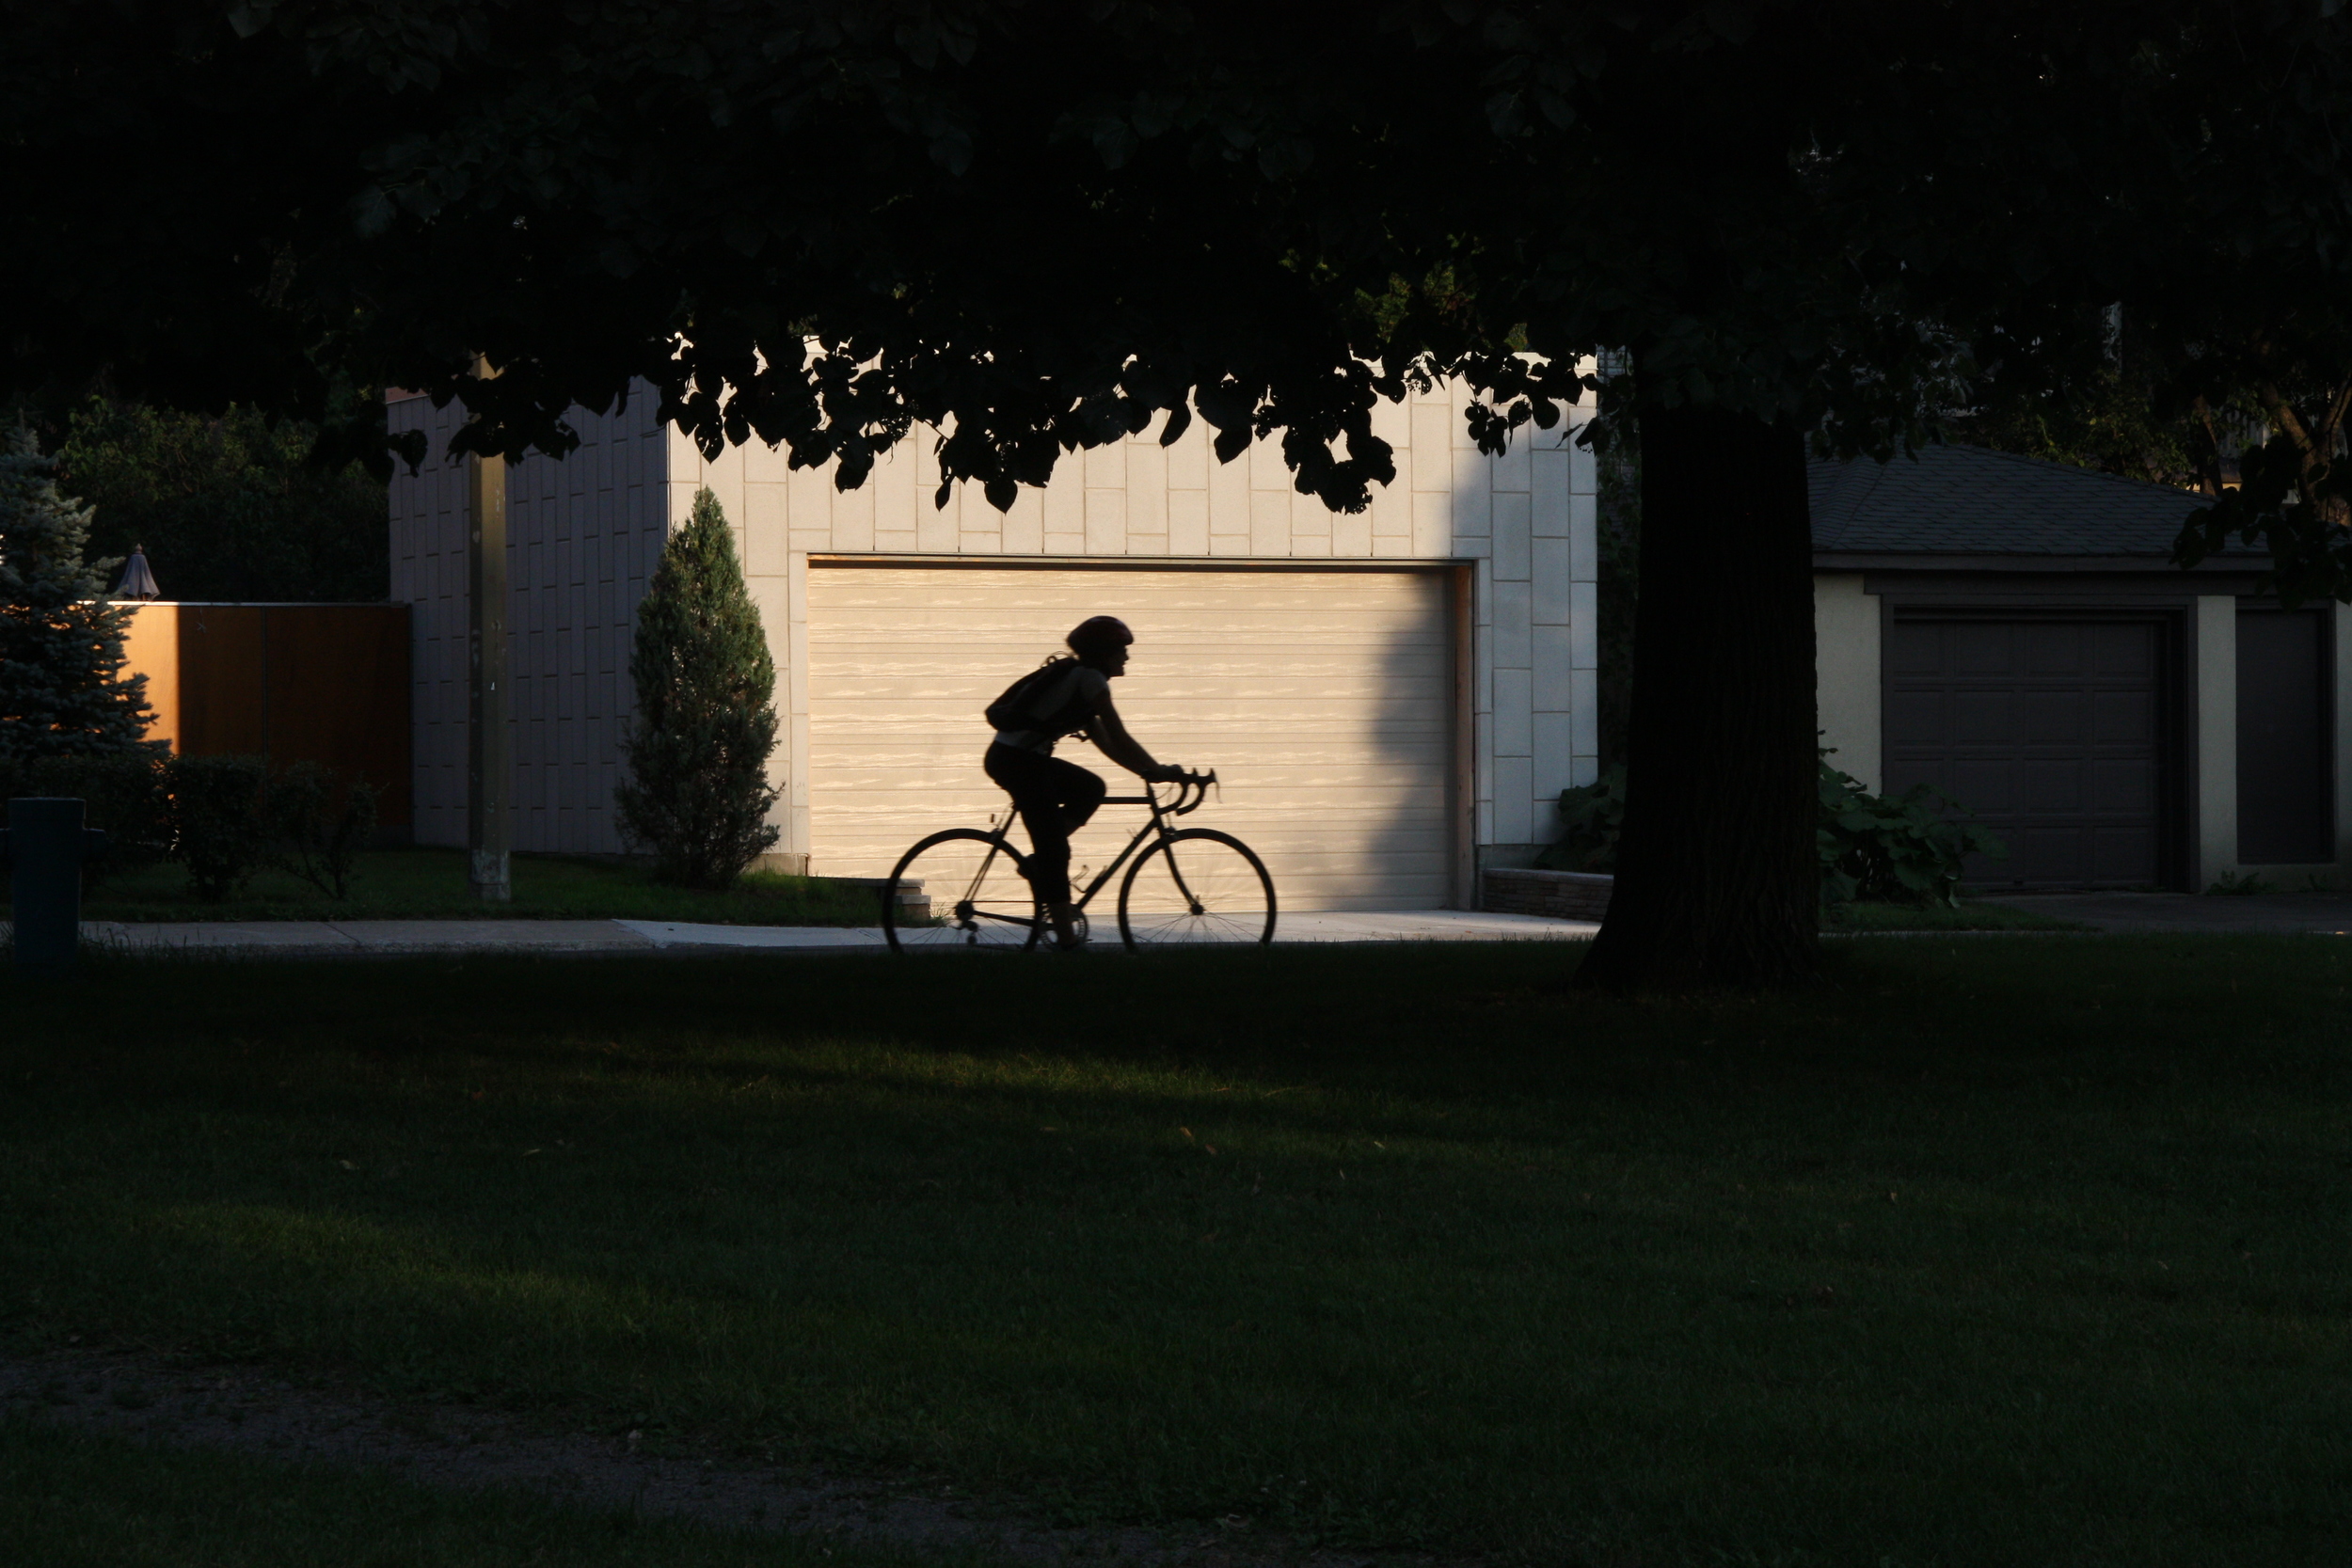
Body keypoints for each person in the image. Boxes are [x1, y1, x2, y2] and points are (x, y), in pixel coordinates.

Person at [985, 615, 1184, 950]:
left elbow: (1107, 743)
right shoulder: (1089, 679)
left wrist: (1147, 771)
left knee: (1091, 788)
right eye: (1121, 649)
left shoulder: (1079, 680)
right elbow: (1119, 734)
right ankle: (1067, 944)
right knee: (1055, 852)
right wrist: (1157, 769)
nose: (1127, 656)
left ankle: (1038, 863)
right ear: (1104, 652)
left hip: (1022, 759)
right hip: (1017, 762)